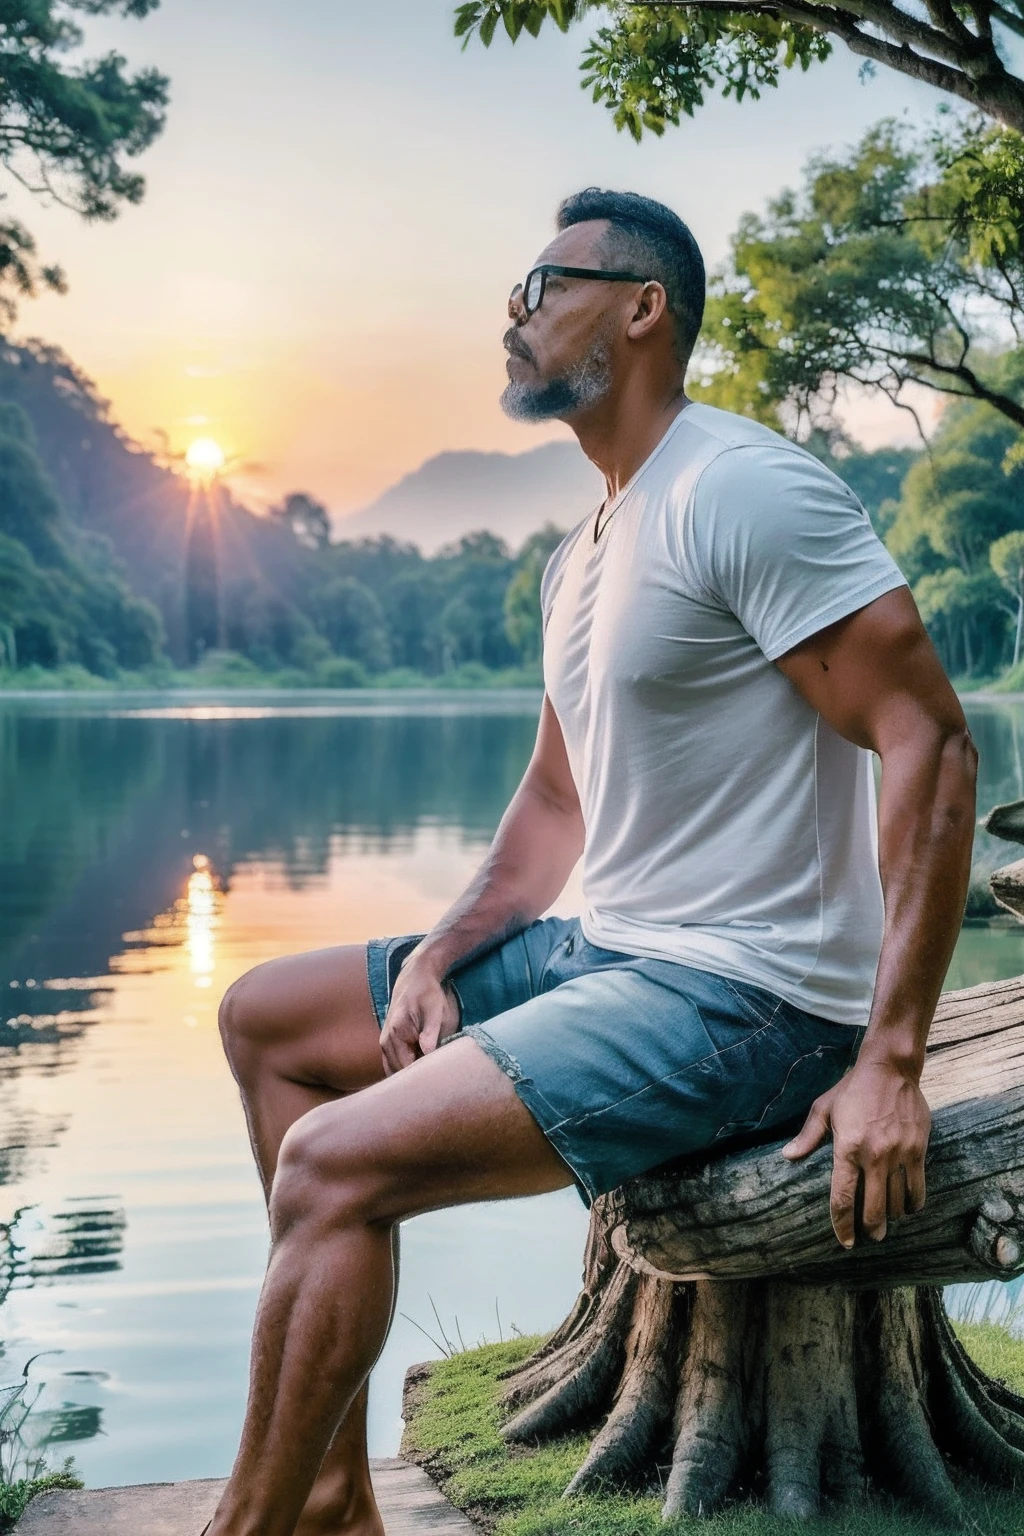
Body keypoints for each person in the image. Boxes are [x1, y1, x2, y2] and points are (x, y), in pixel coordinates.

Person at [205, 189, 978, 1536]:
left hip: (751, 1000)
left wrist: (891, 1060)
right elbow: (555, 809)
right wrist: (442, 957)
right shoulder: (589, 548)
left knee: (333, 1161)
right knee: (269, 1021)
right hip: (606, 953)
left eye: (540, 284)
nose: (511, 315)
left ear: (641, 309)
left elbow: (928, 740)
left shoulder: (741, 488)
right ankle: (329, 1498)